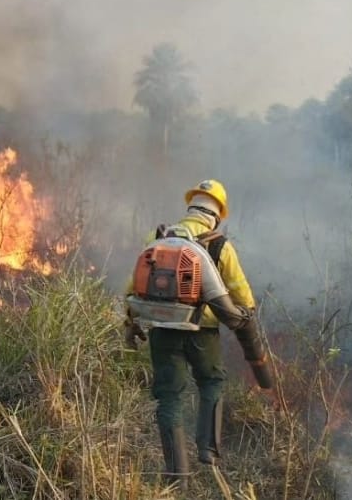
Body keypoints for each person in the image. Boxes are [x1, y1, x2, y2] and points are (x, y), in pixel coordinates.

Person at [125, 179, 260, 490]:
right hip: (203, 332)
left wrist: (129, 324)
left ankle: (176, 473)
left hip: (162, 331)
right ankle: (207, 451)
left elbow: (133, 286)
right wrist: (244, 316)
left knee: (168, 396)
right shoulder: (220, 245)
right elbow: (242, 294)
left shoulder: (157, 238)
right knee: (211, 381)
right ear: (217, 215)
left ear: (190, 207)